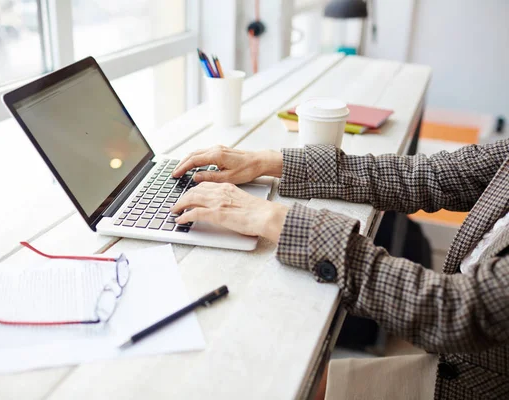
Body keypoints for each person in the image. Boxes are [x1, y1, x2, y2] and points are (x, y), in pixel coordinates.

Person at [170, 141, 509, 400]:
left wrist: (279, 220)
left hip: (472, 381)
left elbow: (457, 309)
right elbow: (431, 175)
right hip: (465, 360)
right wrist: (267, 162)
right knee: (301, 380)